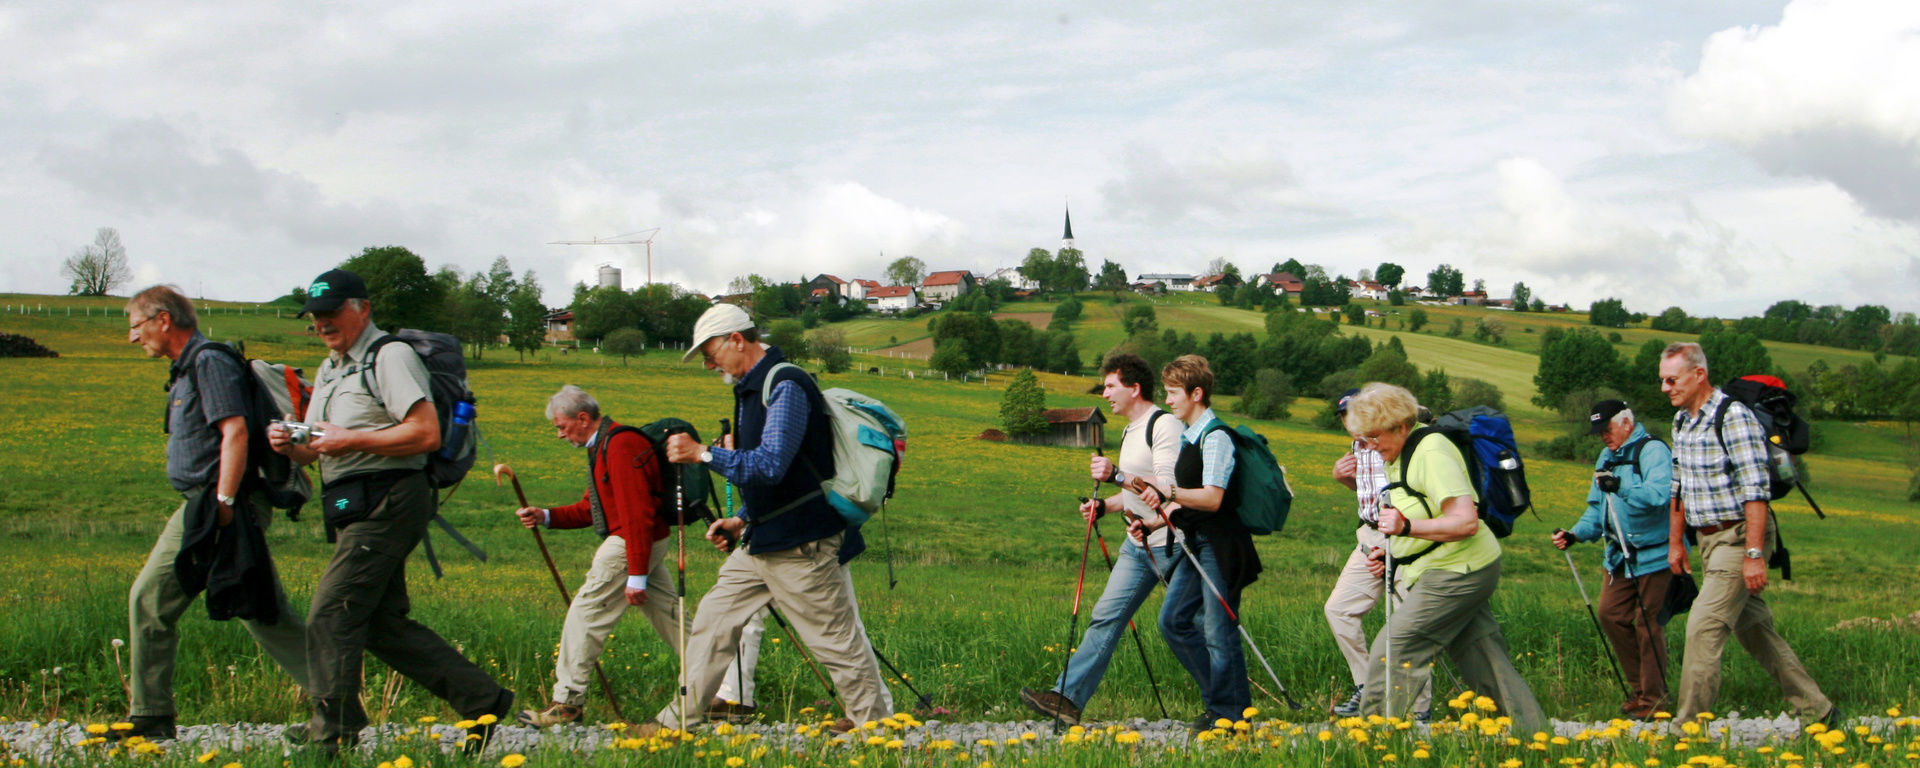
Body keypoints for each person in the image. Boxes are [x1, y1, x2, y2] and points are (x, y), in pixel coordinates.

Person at [269, 269, 512, 754]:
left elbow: (425, 434)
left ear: (362, 308)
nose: (322, 324)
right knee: (379, 623)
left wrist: (349, 438)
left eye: (331, 313)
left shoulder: (390, 357)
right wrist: (291, 445)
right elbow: (319, 447)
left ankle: (332, 735)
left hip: (391, 497)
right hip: (347, 502)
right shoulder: (329, 369)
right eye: (314, 316)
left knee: (331, 611)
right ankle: (481, 699)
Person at [637, 303, 888, 735]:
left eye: (709, 351)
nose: (707, 361)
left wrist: (703, 453)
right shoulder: (752, 387)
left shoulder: (785, 383)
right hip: (763, 538)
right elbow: (780, 474)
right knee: (713, 624)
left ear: (737, 339)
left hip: (799, 544)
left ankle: (879, 730)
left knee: (834, 641)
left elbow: (771, 465)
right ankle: (676, 723)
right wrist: (740, 518)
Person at [115, 285, 310, 741]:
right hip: (208, 504)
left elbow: (236, 432)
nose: (131, 337)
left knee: (160, 599)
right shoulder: (187, 369)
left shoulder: (208, 361)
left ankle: (151, 717)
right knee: (257, 609)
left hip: (220, 504)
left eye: (135, 325)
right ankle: (336, 703)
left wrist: (223, 503)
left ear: (164, 320)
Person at [1345, 383, 1545, 732]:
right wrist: (1391, 552)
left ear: (1400, 425)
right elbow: (1418, 511)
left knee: (1395, 648)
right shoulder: (1399, 453)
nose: (1371, 447)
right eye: (1364, 440)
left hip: (1459, 568)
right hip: (1448, 564)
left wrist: (1406, 528)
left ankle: (1373, 742)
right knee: (1483, 657)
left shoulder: (1431, 451)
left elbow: (1465, 521)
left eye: (1374, 437)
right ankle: (1532, 736)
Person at [1660, 342, 1836, 724]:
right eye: (1663, 380)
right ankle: (1818, 710)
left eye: (1672, 379)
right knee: (1755, 630)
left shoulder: (1732, 417)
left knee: (1703, 626)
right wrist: (1676, 542)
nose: (1665, 387)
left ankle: (1688, 730)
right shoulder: (1682, 421)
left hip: (1740, 537)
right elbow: (1678, 487)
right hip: (1707, 540)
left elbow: (1755, 492)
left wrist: (1755, 554)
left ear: (1698, 375)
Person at [1018, 353, 1181, 723]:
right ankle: (1067, 700)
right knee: (1105, 617)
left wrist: (1117, 475)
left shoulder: (1164, 425)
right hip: (1137, 546)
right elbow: (1134, 492)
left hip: (1172, 543)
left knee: (1192, 627)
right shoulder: (1130, 431)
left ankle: (1228, 703)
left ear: (1134, 388)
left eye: (1111, 385)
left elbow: (1170, 488)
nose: (1105, 393)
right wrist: (1103, 506)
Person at [515, 385, 681, 726]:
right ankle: (721, 687)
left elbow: (637, 514)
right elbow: (593, 508)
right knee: (671, 618)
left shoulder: (619, 445)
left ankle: (568, 702)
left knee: (586, 613)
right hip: (642, 541)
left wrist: (635, 574)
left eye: (562, 427)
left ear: (582, 418)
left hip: (631, 542)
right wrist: (545, 515)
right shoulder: (606, 445)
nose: (560, 435)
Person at [1131, 354, 1257, 731]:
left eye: (1173, 393)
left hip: (1219, 546)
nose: (1167, 400)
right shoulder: (1190, 436)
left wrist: (1166, 490)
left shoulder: (1215, 436)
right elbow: (1185, 500)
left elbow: (1212, 498)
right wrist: (1153, 521)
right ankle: (1222, 700)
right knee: (1174, 621)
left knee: (1219, 631)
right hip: (1194, 541)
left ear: (1196, 393)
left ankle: (1232, 714)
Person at [1551, 399, 1674, 718]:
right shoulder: (1606, 456)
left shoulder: (1653, 451)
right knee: (1610, 614)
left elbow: (1660, 497)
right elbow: (1597, 507)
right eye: (1599, 431)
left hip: (1653, 555)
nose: (1603, 436)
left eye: (1607, 429)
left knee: (1648, 625)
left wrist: (1620, 487)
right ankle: (1640, 689)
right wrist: (1575, 534)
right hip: (1618, 556)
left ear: (1626, 423)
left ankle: (1654, 699)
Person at [1325, 388, 1431, 719]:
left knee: (1403, 622)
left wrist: (1390, 547)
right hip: (1369, 535)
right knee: (1339, 610)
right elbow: (1371, 497)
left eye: (1353, 414)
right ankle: (1367, 686)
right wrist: (1344, 479)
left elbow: (1411, 497)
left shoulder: (1395, 441)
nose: (1349, 422)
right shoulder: (1356, 447)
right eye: (1344, 416)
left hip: (1404, 537)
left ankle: (1417, 709)